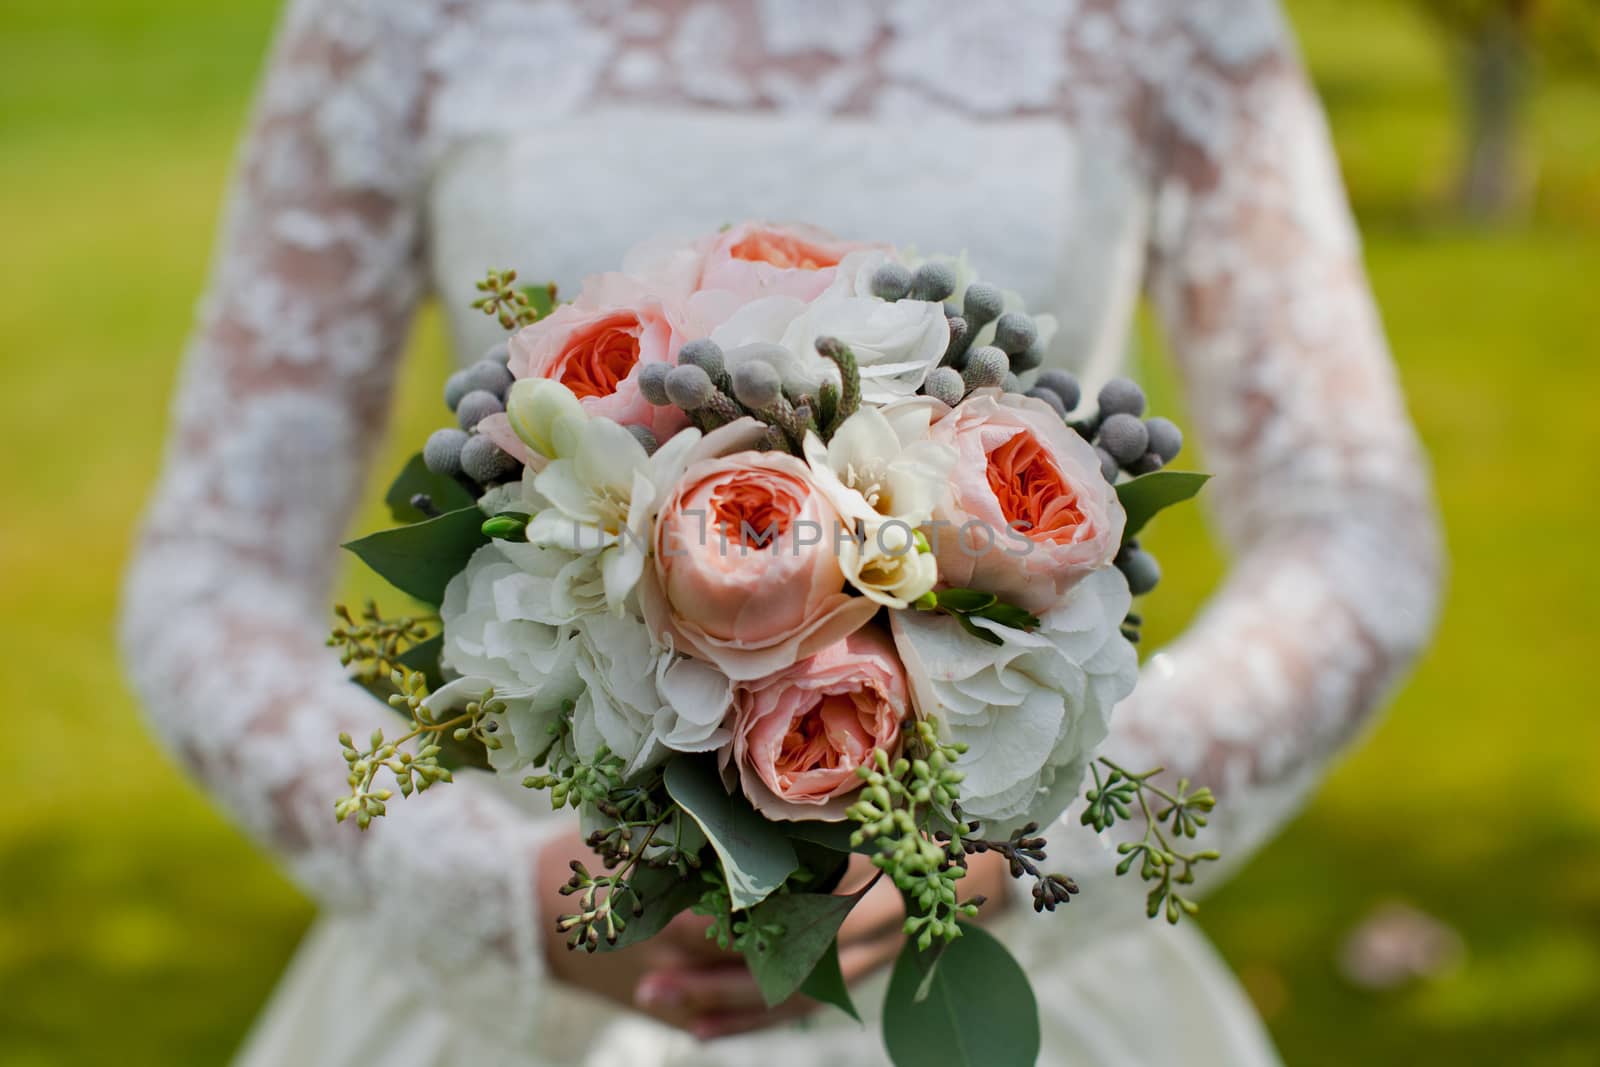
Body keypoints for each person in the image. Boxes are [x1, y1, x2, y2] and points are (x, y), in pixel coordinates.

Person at [119, 2, 1442, 1064]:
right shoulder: (406, 21)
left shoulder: (1161, 20)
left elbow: (1354, 529)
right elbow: (207, 578)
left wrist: (1015, 857)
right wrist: (498, 894)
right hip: (554, 946)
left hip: (965, 952)